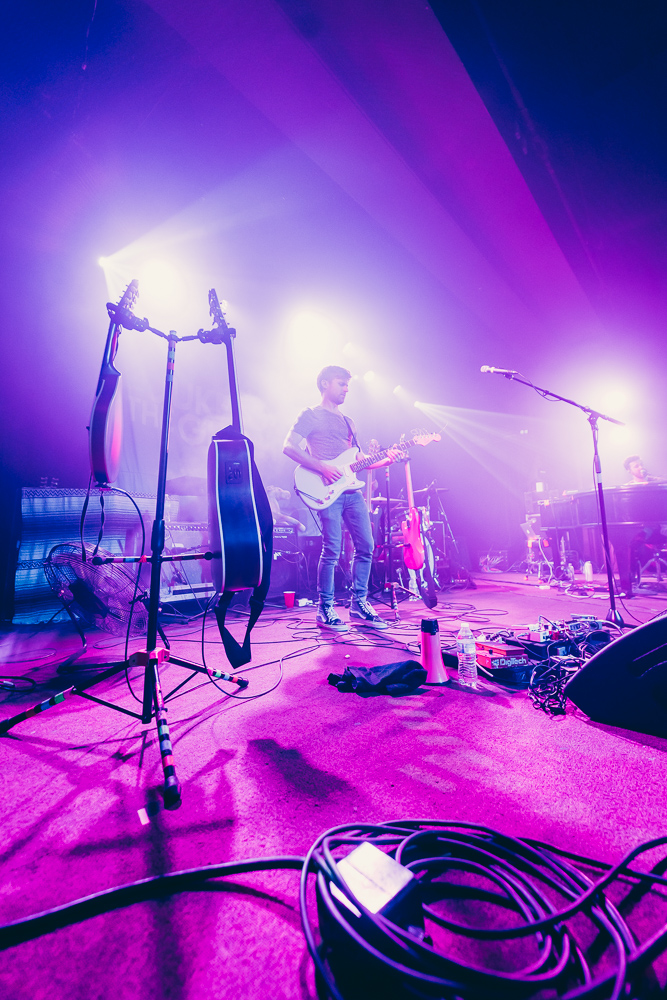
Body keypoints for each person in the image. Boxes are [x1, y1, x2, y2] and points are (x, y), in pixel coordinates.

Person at [283, 365, 396, 632]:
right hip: (327, 491)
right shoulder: (310, 415)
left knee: (366, 547)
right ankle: (325, 608)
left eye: (348, 385)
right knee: (332, 549)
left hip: (352, 492)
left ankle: (359, 605)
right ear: (324, 384)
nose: (346, 389)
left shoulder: (349, 422)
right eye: (341, 383)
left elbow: (358, 461)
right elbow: (288, 446)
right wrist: (322, 467)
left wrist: (387, 458)